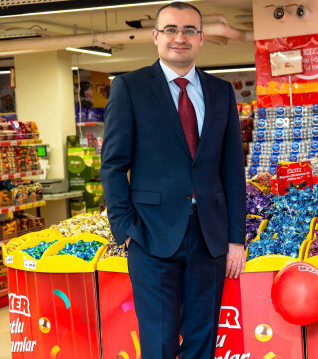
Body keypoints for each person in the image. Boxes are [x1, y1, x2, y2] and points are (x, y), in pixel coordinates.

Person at [100, 2, 246, 359]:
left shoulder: (221, 92)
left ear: (201, 39)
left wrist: (235, 238)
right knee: (160, 342)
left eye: (189, 31)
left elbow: (232, 169)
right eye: (170, 30)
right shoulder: (129, 88)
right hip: (150, 236)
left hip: (209, 237)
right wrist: (125, 228)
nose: (179, 38)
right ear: (155, 37)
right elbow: (113, 164)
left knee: (202, 339)